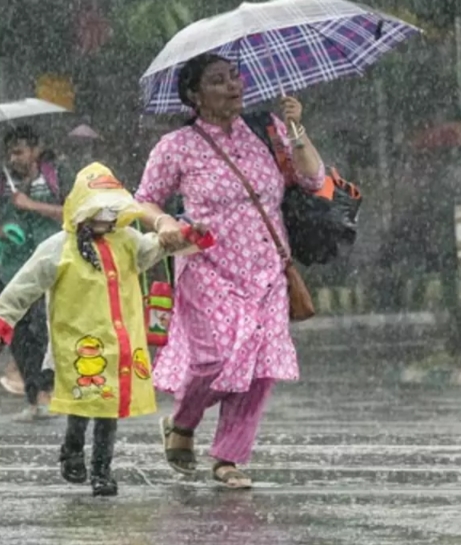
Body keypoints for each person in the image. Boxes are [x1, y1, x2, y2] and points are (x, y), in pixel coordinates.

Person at [135, 53, 326, 490]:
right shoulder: (176, 147)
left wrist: (297, 129)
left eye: (235, 77)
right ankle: (183, 424)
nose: (233, 86)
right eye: (218, 81)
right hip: (207, 266)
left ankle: (229, 457)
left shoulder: (268, 130)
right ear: (195, 95)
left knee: (259, 367)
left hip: (267, 268)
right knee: (214, 359)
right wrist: (165, 223)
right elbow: (145, 199)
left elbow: (313, 179)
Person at [0, 163, 196, 497]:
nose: (109, 217)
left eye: (114, 209)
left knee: (109, 411)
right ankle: (72, 449)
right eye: (102, 209)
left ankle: (101, 469)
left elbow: (153, 249)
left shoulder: (126, 240)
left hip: (119, 343)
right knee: (82, 405)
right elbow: (23, 287)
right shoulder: (59, 246)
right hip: (78, 345)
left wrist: (182, 237)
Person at [0, 126, 69, 420]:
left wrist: (32, 205)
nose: (13, 158)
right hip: (13, 269)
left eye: (19, 151)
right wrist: (1, 231)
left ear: (35, 150)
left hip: (51, 264)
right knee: (19, 333)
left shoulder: (57, 175)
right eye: (9, 152)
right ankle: (33, 397)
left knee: (44, 329)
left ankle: (49, 391)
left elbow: (72, 212)